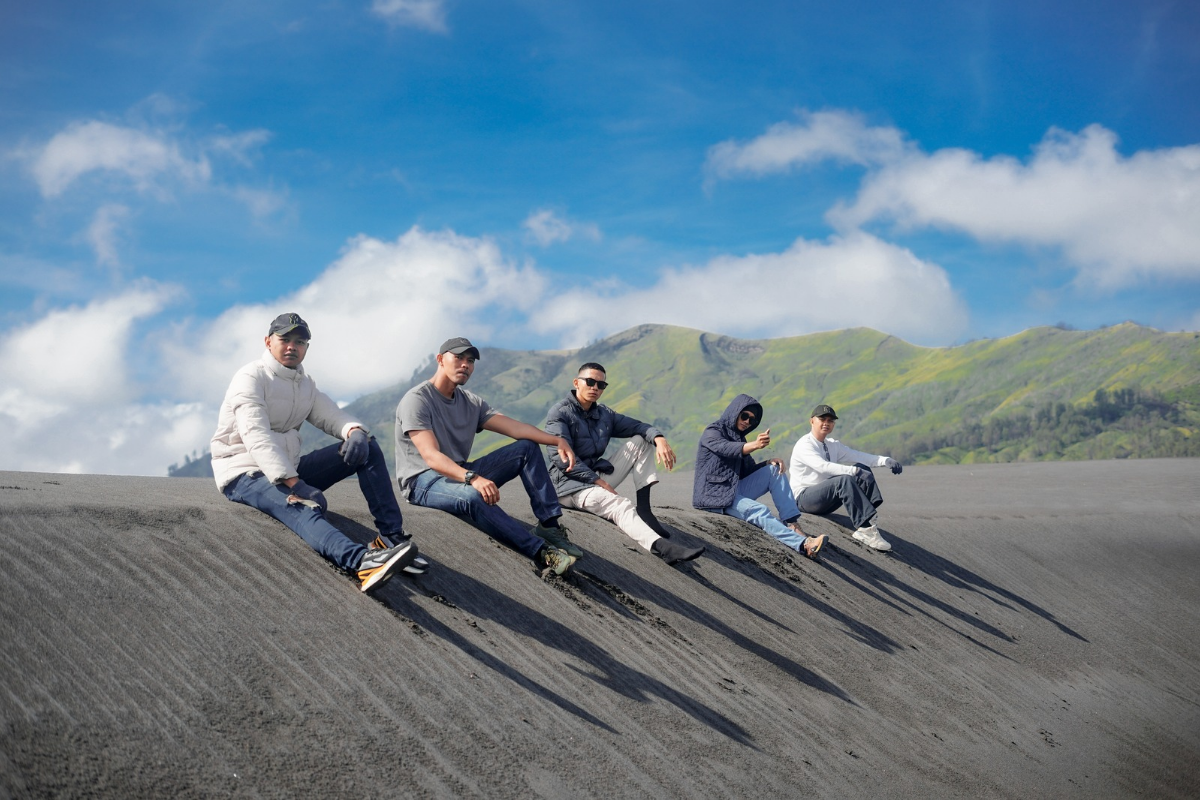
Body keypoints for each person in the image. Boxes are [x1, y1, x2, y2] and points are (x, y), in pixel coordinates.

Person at [211, 313, 420, 593]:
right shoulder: (251, 377)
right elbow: (255, 436)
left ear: (306, 347)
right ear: (268, 341)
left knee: (366, 446)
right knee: (301, 506)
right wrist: (294, 484)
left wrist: (354, 431)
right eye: (284, 339)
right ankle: (362, 563)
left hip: (289, 467)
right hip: (243, 472)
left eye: (299, 341)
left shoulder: (305, 384)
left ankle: (390, 538)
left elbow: (332, 416)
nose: (291, 347)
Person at [394, 337, 582, 576]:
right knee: (473, 497)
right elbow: (431, 456)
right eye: (459, 358)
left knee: (526, 448)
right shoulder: (417, 399)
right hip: (422, 481)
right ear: (440, 360)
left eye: (470, 361)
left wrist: (556, 440)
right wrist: (473, 478)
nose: (465, 365)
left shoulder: (471, 402)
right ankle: (542, 552)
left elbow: (514, 428)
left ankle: (549, 526)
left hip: (460, 472)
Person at [543, 362, 705, 566]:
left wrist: (659, 439)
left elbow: (639, 426)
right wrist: (598, 482)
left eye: (601, 385)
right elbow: (562, 459)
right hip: (567, 487)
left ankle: (645, 510)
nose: (595, 388)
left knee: (642, 440)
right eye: (590, 382)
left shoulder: (604, 414)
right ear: (577, 382)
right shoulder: (559, 413)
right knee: (621, 505)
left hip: (594, 478)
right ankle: (663, 548)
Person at [693, 394, 826, 558]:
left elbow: (748, 470)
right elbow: (725, 448)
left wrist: (768, 462)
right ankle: (803, 544)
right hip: (714, 496)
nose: (747, 422)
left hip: (733, 489)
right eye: (744, 416)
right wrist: (754, 445)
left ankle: (792, 523)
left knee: (773, 470)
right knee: (759, 510)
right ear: (734, 412)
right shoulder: (713, 431)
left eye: (752, 420)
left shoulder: (739, 437)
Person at [789, 404, 902, 552]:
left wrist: (885, 461)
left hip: (825, 498)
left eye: (830, 420)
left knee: (863, 468)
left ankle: (868, 519)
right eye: (822, 419)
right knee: (845, 479)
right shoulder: (804, 444)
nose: (826, 423)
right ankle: (866, 530)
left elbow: (858, 456)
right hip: (803, 499)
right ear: (812, 421)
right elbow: (823, 466)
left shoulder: (832, 445)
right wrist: (855, 471)